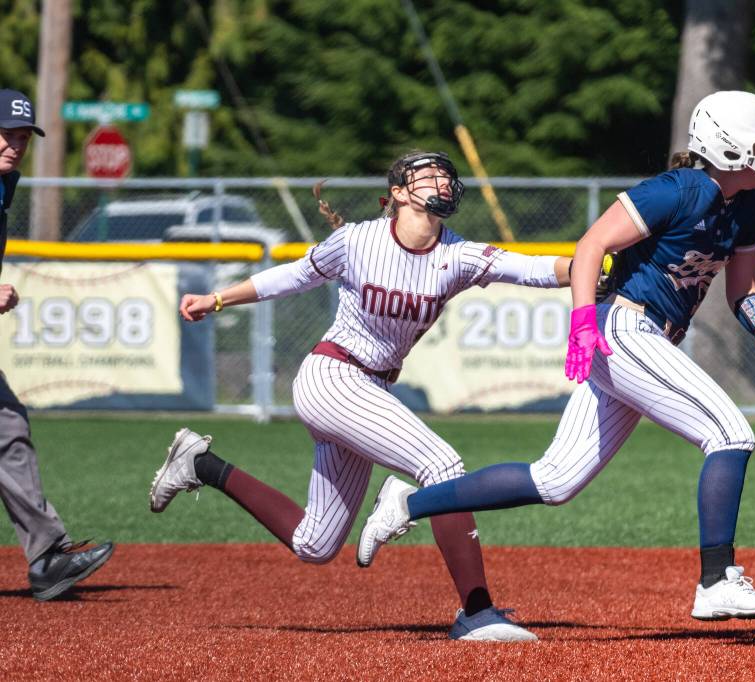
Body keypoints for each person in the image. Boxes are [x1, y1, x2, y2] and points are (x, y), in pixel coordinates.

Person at [358, 91, 755, 622]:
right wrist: (581, 323)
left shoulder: (747, 206)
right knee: (730, 434)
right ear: (726, 146)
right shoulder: (679, 189)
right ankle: (716, 581)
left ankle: (405, 505)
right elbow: (592, 246)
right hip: (623, 326)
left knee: (553, 481)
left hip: (650, 339)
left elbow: (741, 291)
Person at [149, 150, 572, 641]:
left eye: (445, 173)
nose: (442, 179)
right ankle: (477, 612)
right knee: (442, 466)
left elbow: (534, 268)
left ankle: (201, 464)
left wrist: (595, 262)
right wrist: (218, 298)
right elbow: (292, 275)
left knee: (315, 543)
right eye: (427, 173)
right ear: (397, 192)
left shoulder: (456, 255)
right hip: (331, 377)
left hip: (370, 389)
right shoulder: (357, 241)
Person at [0, 89, 114, 600]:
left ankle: (47, 557)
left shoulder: (4, 185)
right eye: (7, 133)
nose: (16, 144)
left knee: (8, 433)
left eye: (23, 136)